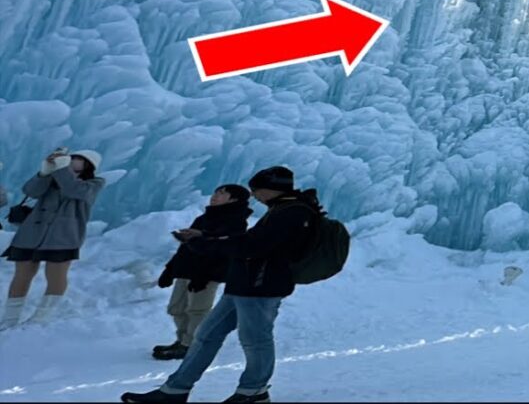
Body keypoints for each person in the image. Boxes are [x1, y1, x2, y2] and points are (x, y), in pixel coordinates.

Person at [122, 166, 321, 404]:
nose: (254, 195)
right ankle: (174, 391)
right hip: (244, 285)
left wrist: (204, 243)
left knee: (256, 340)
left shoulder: (292, 212)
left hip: (261, 287)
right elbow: (249, 243)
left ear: (271, 189)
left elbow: (252, 246)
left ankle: (254, 392)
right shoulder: (283, 209)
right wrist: (206, 241)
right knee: (206, 335)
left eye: (256, 189)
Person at [1, 147, 105, 329]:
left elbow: (74, 190)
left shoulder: (94, 183)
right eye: (72, 157)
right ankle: (9, 319)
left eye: (78, 159)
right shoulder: (54, 178)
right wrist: (44, 172)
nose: (73, 161)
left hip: (63, 235)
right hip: (32, 233)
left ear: (88, 165)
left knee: (55, 275)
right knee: (22, 274)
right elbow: (30, 191)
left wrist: (62, 169)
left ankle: (41, 317)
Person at [153, 184, 252, 360]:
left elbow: (220, 249)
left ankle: (191, 345)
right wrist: (170, 269)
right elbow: (188, 247)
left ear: (234, 199)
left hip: (207, 274)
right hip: (187, 270)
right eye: (216, 192)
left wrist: (199, 239)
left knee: (197, 310)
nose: (215, 195)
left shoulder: (235, 221)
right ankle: (182, 340)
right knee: (176, 308)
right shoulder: (203, 218)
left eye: (222, 193)